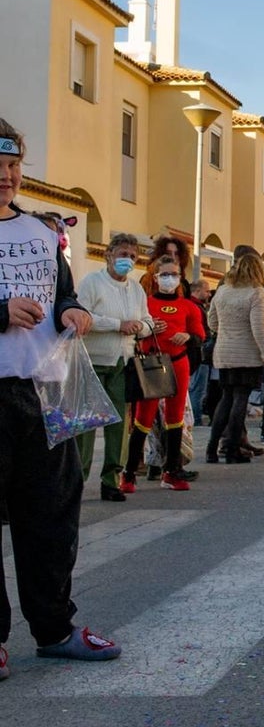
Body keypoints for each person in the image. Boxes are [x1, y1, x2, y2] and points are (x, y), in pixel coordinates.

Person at [0, 118, 120, 677]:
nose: (6, 175)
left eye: (12, 164)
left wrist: (72, 312)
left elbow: (62, 297)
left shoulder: (42, 234)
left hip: (46, 392)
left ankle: (54, 629)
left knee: (52, 517)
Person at [75, 233, 153, 501]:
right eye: (122, 254)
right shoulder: (92, 283)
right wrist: (116, 324)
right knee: (87, 424)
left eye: (132, 256)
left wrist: (139, 327)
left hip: (123, 361)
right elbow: (83, 316)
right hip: (93, 360)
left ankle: (112, 479)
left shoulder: (136, 289)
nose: (127, 260)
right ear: (108, 254)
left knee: (119, 423)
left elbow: (148, 321)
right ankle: (78, 478)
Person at [122, 255, 206, 492]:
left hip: (178, 363)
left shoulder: (189, 306)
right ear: (156, 277)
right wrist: (146, 330)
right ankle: (128, 473)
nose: (170, 279)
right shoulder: (144, 303)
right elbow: (132, 330)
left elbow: (200, 335)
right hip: (151, 364)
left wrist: (188, 337)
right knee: (143, 417)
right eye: (165, 274)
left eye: (174, 274)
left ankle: (171, 471)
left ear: (180, 278)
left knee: (175, 416)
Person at [206, 254, 264, 464]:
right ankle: (232, 449)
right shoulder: (257, 293)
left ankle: (212, 449)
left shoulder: (223, 291)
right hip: (246, 353)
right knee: (240, 399)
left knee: (226, 398)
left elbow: (212, 321)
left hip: (224, 351)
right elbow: (260, 328)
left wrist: (227, 333)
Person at [187, 279, 212, 425]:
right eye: (207, 290)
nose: (209, 294)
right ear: (197, 291)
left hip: (198, 352)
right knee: (197, 389)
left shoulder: (197, 306)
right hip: (199, 353)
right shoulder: (195, 307)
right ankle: (195, 419)